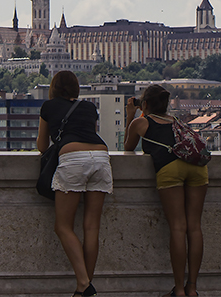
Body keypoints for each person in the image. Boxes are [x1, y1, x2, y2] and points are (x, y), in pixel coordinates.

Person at [124, 84, 208, 297]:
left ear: (145, 104)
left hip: (170, 168)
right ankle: (193, 287)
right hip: (198, 168)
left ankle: (179, 290)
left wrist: (131, 115)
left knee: (178, 228)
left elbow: (127, 146)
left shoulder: (141, 122)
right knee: (194, 228)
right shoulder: (177, 121)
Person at [37, 70, 113, 297]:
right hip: (101, 157)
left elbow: (42, 146)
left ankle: (83, 283)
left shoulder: (48, 107)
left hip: (73, 159)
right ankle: (84, 289)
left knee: (62, 226)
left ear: (53, 88)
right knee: (91, 227)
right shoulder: (89, 107)